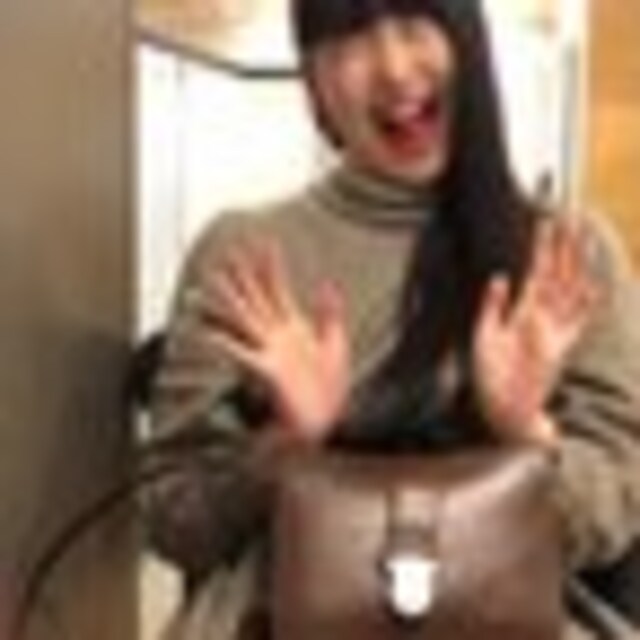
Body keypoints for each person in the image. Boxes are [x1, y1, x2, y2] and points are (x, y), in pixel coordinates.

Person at [145, 0, 640, 638]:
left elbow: (615, 513)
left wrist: (527, 433)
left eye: (415, 19)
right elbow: (172, 521)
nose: (394, 67)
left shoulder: (567, 254)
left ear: (469, 41)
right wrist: (285, 444)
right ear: (313, 80)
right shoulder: (243, 256)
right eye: (351, 34)